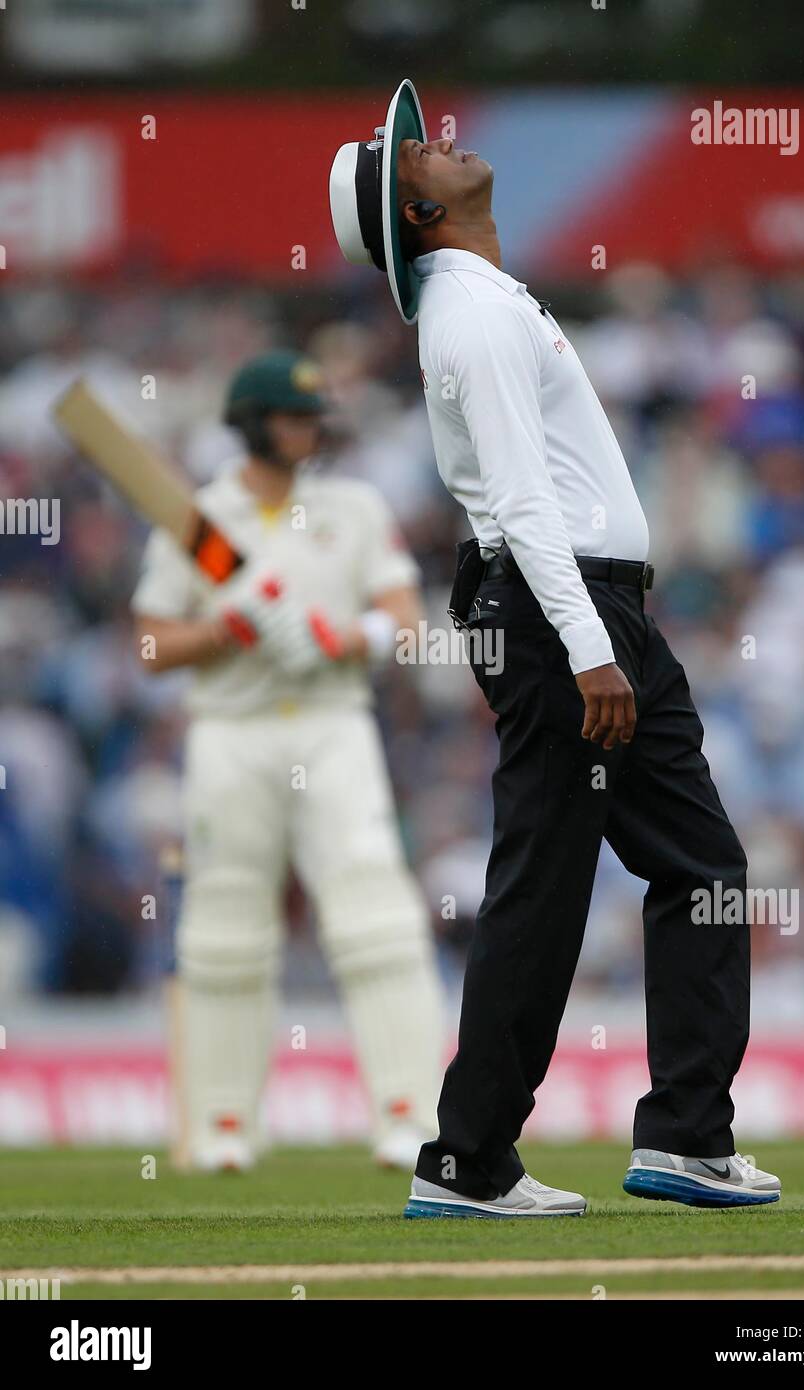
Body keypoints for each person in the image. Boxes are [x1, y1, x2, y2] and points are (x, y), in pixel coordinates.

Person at [329, 81, 780, 1216]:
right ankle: (469, 1159)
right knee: (546, 884)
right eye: (412, 154)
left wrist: (599, 633)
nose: (436, 143)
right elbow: (525, 507)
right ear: (416, 213)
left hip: (584, 610)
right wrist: (589, 649)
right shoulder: (472, 315)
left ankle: (685, 1135)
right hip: (560, 613)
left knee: (703, 868)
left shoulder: (482, 298)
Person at [131, 348, 444, 1172]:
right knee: (227, 927)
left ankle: (411, 1114)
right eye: (291, 418)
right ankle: (224, 1125)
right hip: (231, 733)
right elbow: (153, 643)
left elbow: (407, 623)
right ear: (250, 425)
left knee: (376, 913)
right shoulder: (199, 522)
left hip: (335, 725)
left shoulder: (353, 506)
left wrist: (345, 638)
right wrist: (225, 632)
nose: (307, 433)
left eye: (313, 419)